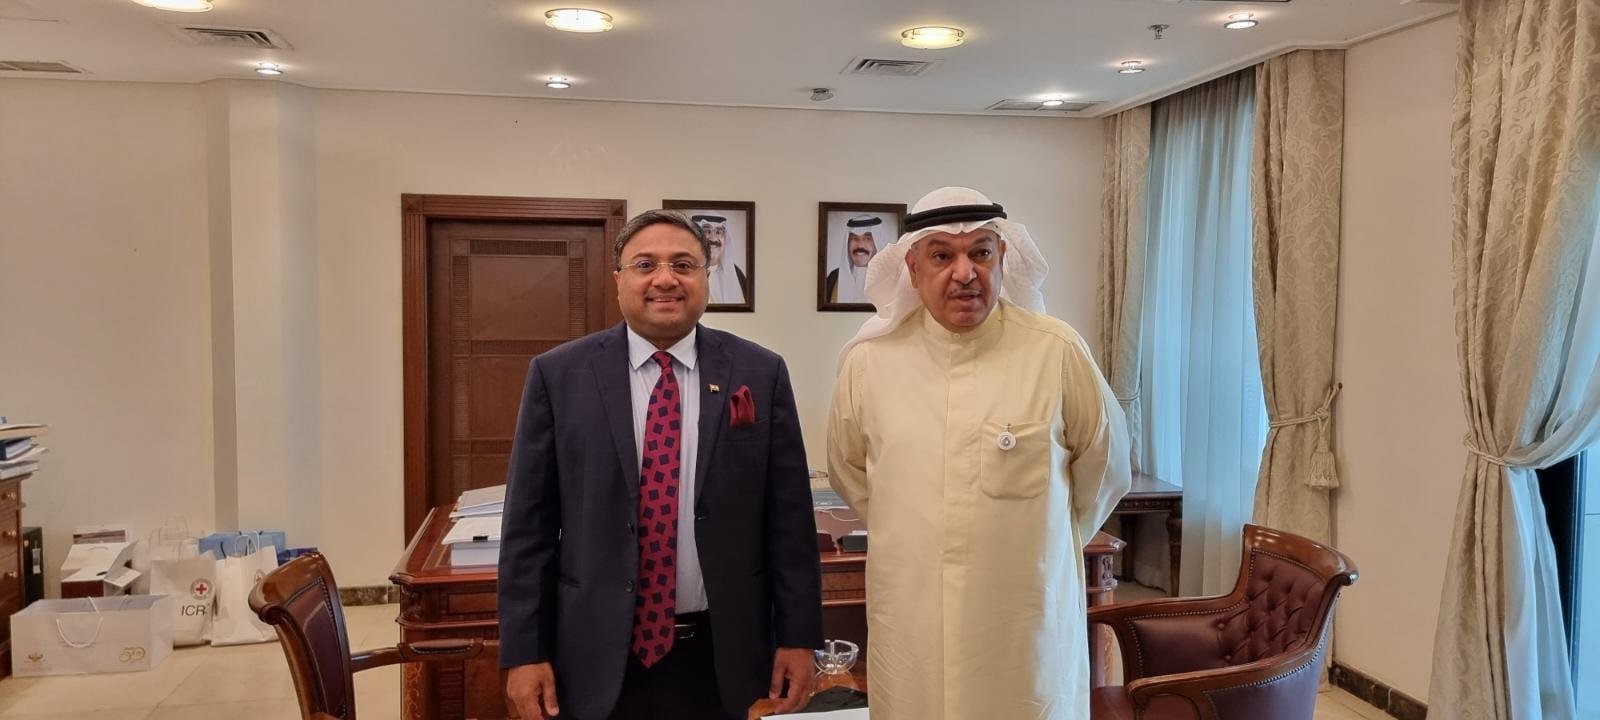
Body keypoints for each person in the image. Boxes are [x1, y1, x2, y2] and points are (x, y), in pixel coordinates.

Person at [500, 209, 821, 720]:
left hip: (725, 651)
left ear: (705, 279)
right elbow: (528, 529)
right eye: (646, 264)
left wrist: (799, 637)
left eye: (683, 265)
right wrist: (524, 651)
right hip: (594, 652)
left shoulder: (761, 372)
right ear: (619, 280)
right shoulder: (558, 376)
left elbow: (791, 524)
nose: (665, 279)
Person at [826, 187, 1132, 719]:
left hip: (1021, 614)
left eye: (981, 253)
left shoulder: (1056, 350)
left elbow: (1106, 466)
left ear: (1002, 257)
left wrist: (1041, 540)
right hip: (912, 612)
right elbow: (849, 471)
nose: (965, 272)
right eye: (942, 255)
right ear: (913, 268)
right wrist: (919, 533)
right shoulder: (868, 364)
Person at [692, 214, 749, 304]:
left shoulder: (737, 274)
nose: (714, 238)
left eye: (718, 232)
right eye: (707, 231)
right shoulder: (685, 271)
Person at [824, 214, 881, 304]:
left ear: (877, 243)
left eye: (867, 238)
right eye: (854, 238)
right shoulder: (833, 278)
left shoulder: (890, 279)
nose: (860, 245)